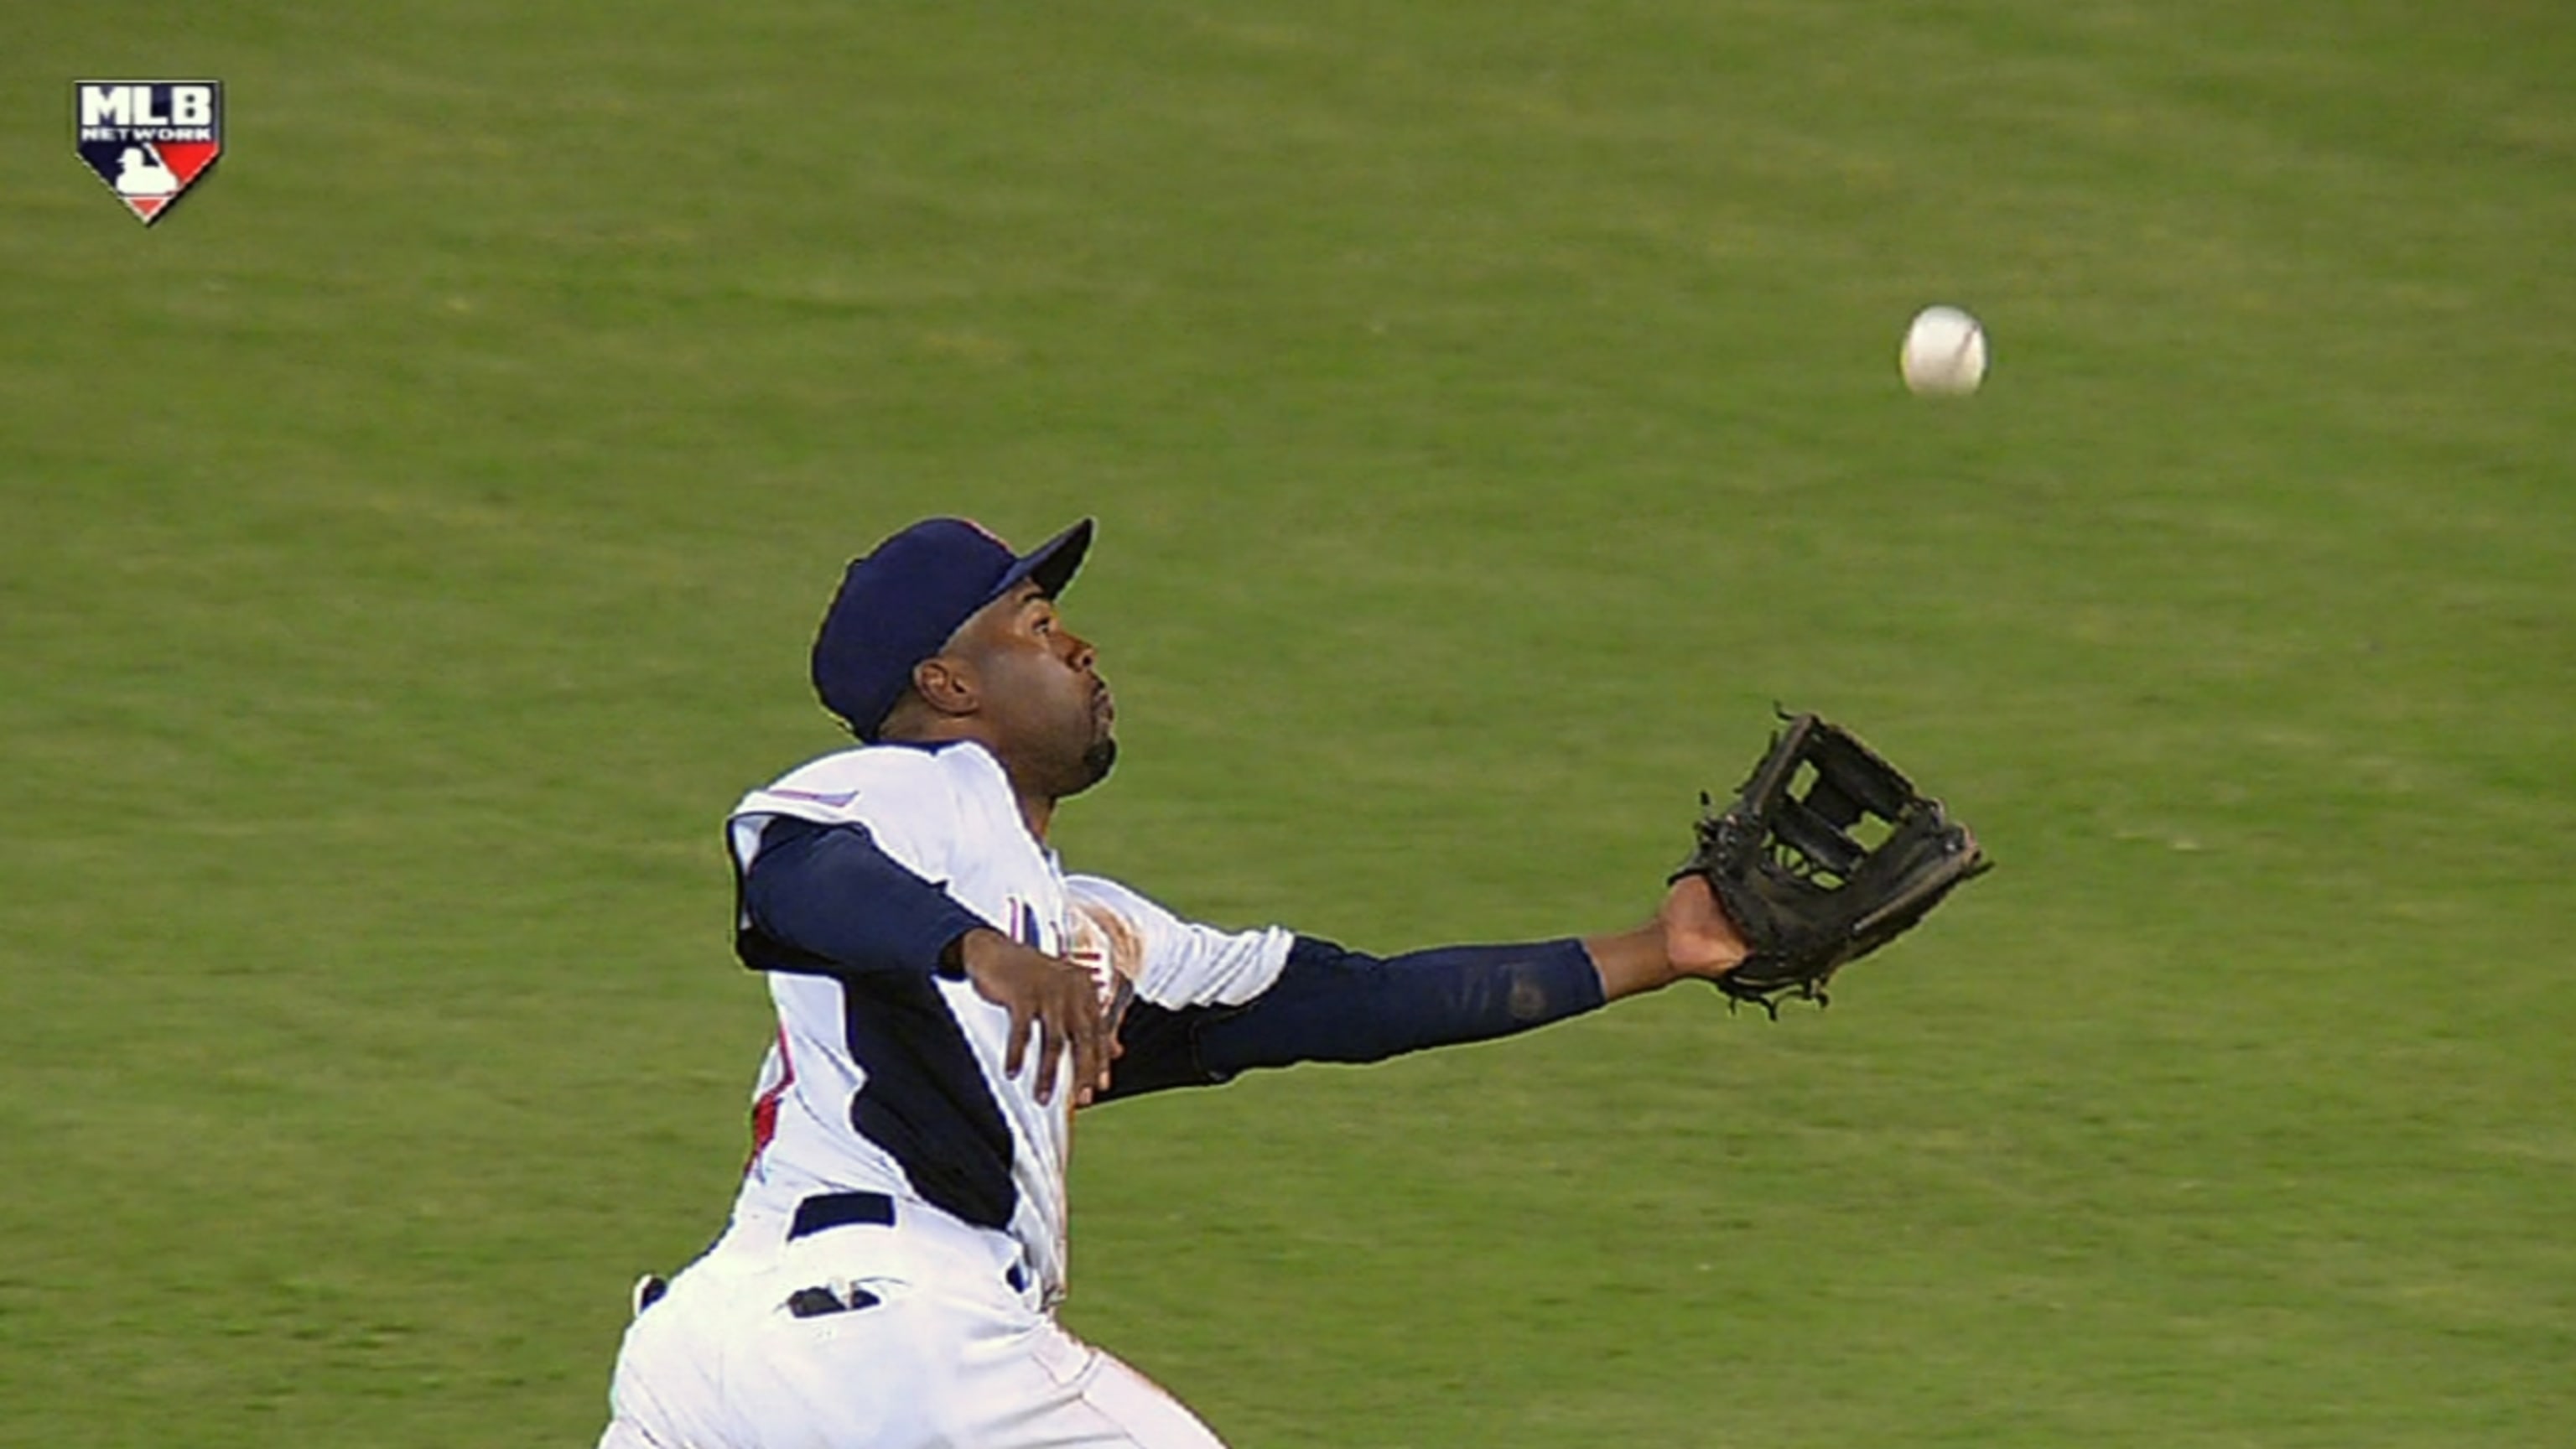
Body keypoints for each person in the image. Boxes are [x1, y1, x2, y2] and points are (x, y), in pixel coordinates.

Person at [596, 517, 1749, 1449]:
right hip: (885, 1336)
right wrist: (982, 952)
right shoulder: (922, 792)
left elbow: (1343, 1003)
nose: (1080, 649)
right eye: (1039, 625)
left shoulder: (1085, 926)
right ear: (949, 684)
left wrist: (1657, 950)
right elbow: (790, 871)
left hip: (709, 1362)